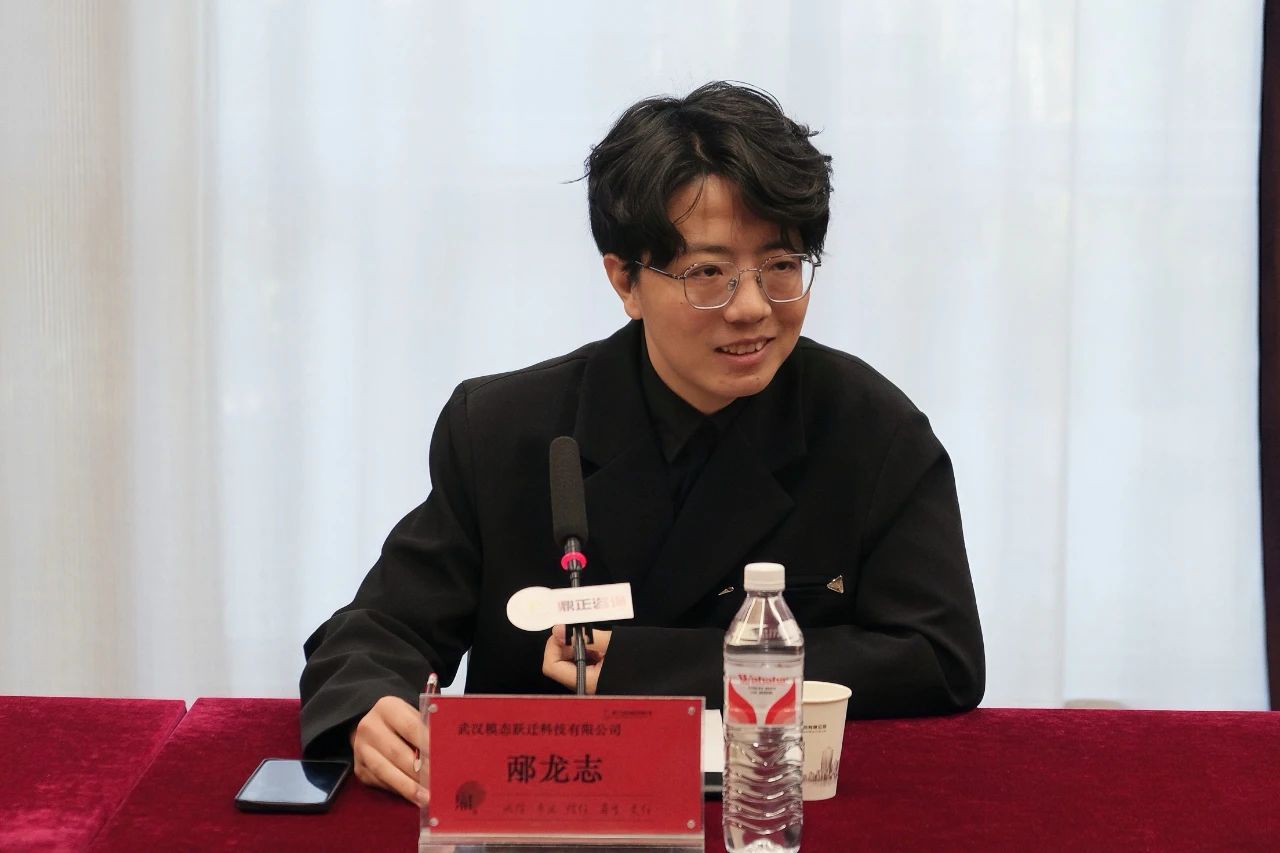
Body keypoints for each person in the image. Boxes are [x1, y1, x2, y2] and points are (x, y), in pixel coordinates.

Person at [299, 81, 985, 805]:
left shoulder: (872, 431)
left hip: (768, 812)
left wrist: (648, 665)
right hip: (548, 813)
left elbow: (937, 657)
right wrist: (367, 704)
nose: (753, 307)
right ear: (625, 280)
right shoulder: (504, 429)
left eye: (782, 266)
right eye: (709, 273)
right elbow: (381, 628)